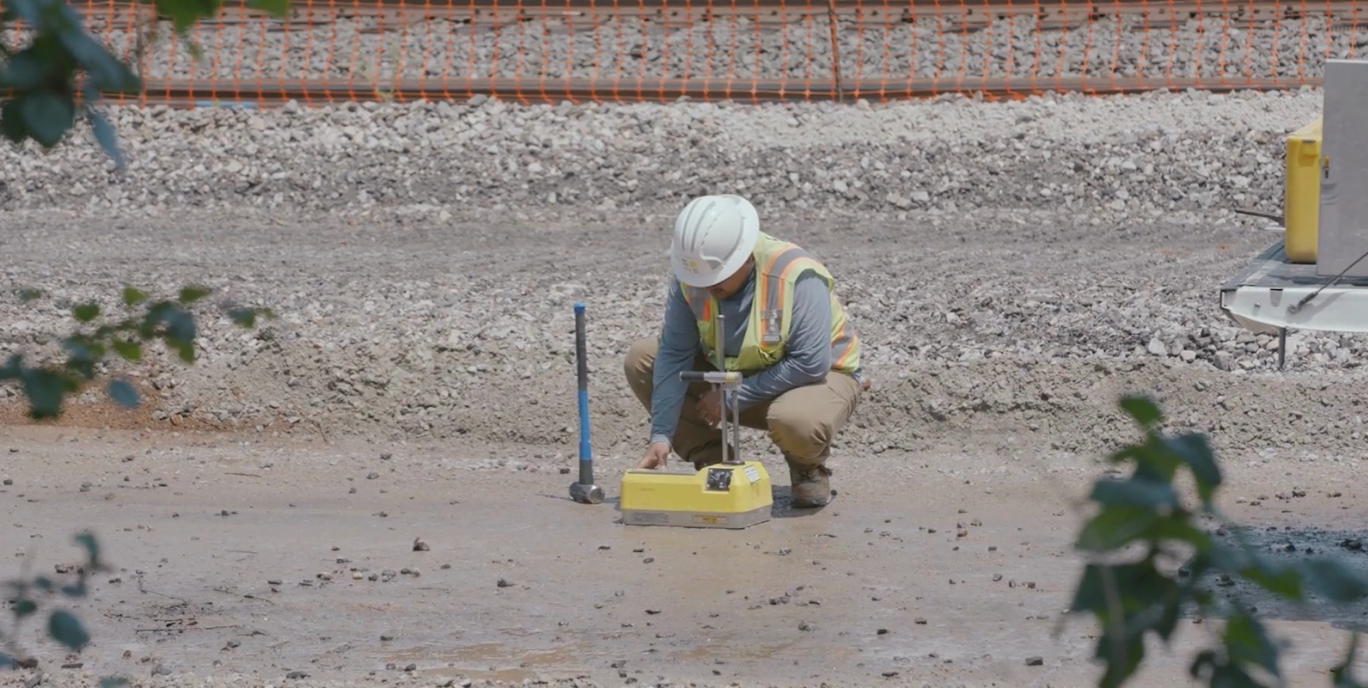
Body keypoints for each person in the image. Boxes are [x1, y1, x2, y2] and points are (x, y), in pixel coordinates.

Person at [623, 194, 868, 508]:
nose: (708, 288)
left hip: (816, 378)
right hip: (740, 375)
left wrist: (732, 397)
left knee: (796, 420)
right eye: (702, 279)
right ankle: (714, 465)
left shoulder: (795, 274)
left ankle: (807, 467)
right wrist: (661, 435)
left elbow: (810, 362)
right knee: (643, 358)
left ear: (745, 257)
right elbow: (673, 355)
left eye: (717, 279)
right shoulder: (693, 277)